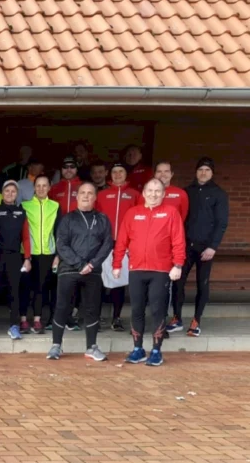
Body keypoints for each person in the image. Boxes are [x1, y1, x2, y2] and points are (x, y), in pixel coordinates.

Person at [113, 178, 185, 366]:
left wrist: (177, 265)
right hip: (136, 269)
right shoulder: (132, 213)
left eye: (157, 191)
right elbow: (122, 240)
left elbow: (178, 240)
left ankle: (156, 350)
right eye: (150, 190)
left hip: (160, 271)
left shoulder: (171, 213)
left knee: (157, 310)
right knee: (136, 310)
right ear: (143, 193)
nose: (153, 194)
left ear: (163, 194)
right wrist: (117, 264)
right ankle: (138, 349)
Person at [47, 183, 113, 361]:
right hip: (69, 269)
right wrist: (79, 264)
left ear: (95, 197)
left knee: (92, 309)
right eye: (82, 193)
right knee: (62, 306)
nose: (86, 196)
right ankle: (56, 346)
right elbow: (61, 244)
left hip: (93, 271)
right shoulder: (68, 219)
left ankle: (91, 347)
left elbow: (107, 244)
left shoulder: (102, 219)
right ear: (77, 197)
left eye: (90, 193)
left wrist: (91, 264)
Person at [169, 157, 228, 338]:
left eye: (207, 170)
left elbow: (221, 223)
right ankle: (177, 318)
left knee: (202, 284)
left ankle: (196, 320)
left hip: (205, 248)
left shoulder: (219, 193)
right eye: (201, 169)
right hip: (185, 245)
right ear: (196, 172)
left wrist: (213, 247)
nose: (203, 173)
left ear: (212, 173)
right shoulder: (186, 192)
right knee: (177, 282)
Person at [95, 162, 140, 331]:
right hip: (104, 243)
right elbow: (96, 218)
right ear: (110, 175)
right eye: (114, 172)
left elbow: (139, 218)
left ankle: (117, 318)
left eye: (121, 171)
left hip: (125, 244)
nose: (118, 174)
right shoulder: (102, 195)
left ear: (126, 174)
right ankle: (97, 318)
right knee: (99, 281)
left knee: (119, 281)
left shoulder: (134, 194)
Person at [0, 180, 31, 340]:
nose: (9, 194)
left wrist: (27, 258)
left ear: (17, 194)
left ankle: (14, 325)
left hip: (15, 256)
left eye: (13, 191)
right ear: (2, 192)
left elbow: (26, 238)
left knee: (14, 291)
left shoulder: (22, 213)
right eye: (7, 191)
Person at [21, 175, 60, 334]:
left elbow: (59, 232)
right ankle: (23, 319)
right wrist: (25, 255)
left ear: (50, 187)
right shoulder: (25, 205)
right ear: (34, 187)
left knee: (40, 288)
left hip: (47, 253)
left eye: (45, 185)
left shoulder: (55, 206)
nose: (41, 188)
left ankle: (37, 320)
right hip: (28, 253)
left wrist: (58, 254)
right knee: (24, 287)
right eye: (38, 185)